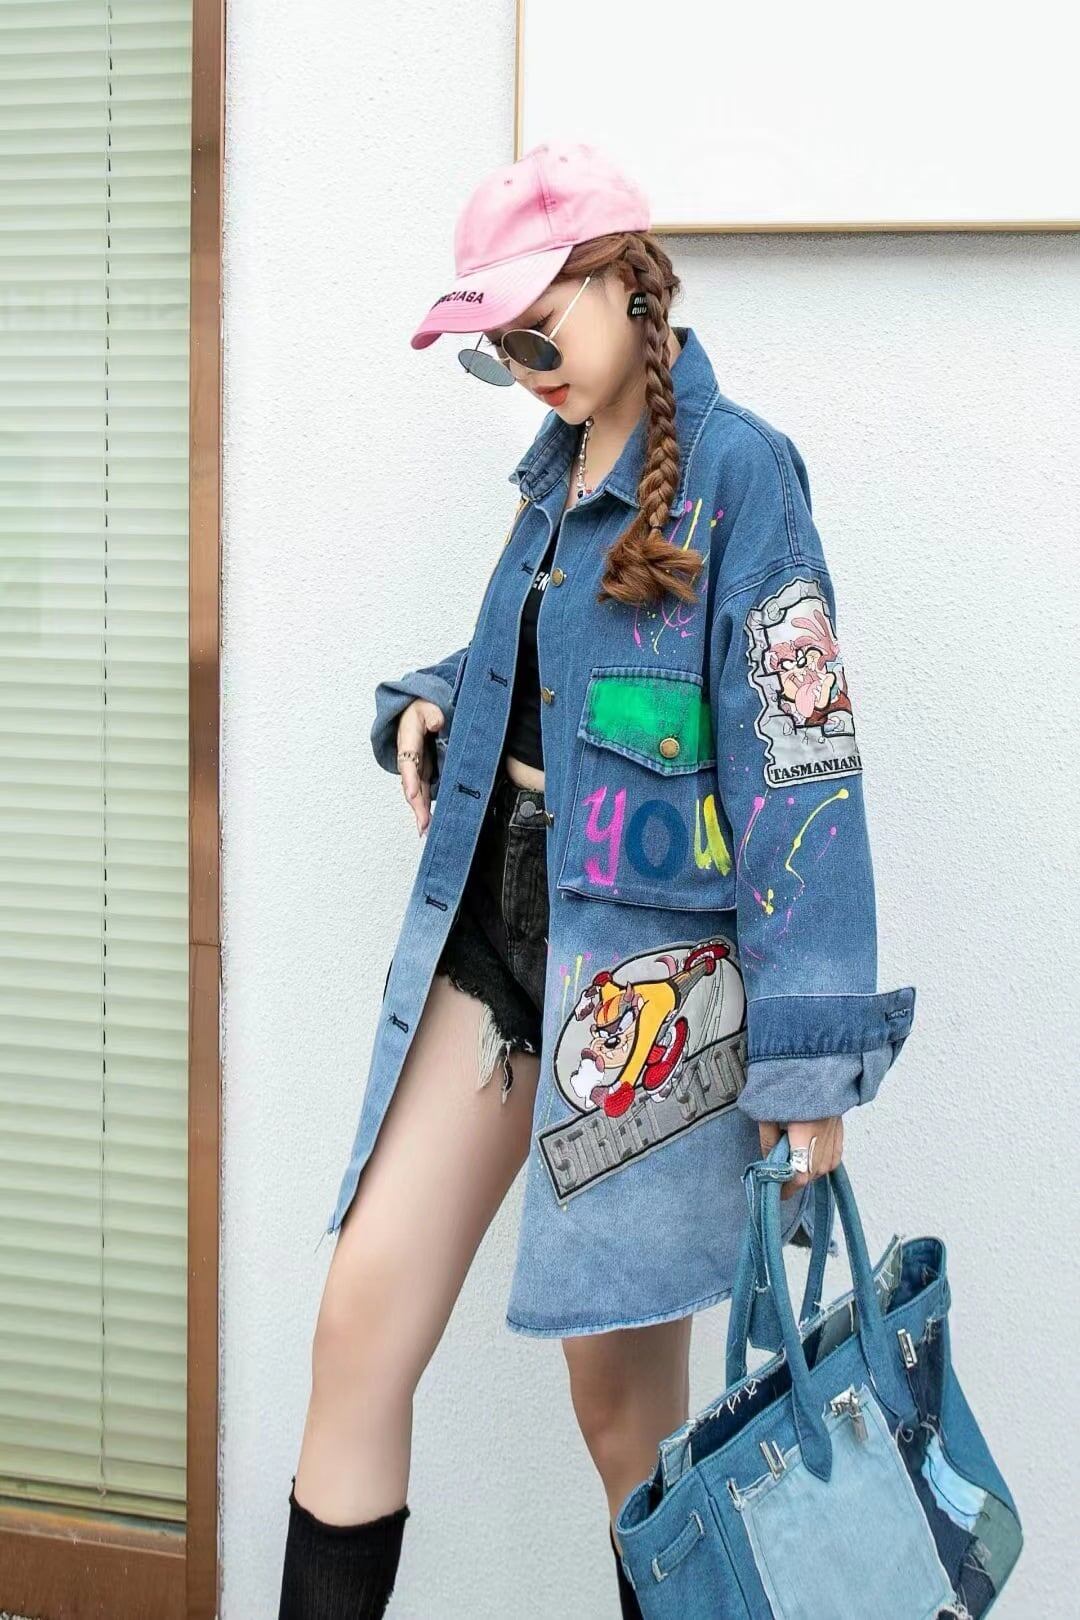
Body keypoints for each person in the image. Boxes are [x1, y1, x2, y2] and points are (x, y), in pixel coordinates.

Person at [276, 140, 917, 1618]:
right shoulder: (554, 472)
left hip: (644, 992)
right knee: (360, 1322)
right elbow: (558, 669)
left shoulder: (744, 477)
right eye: (496, 350)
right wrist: (434, 700)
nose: (524, 370)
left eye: (535, 331)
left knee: (627, 1425)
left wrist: (807, 1075)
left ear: (628, 282)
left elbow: (801, 771)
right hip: (497, 932)